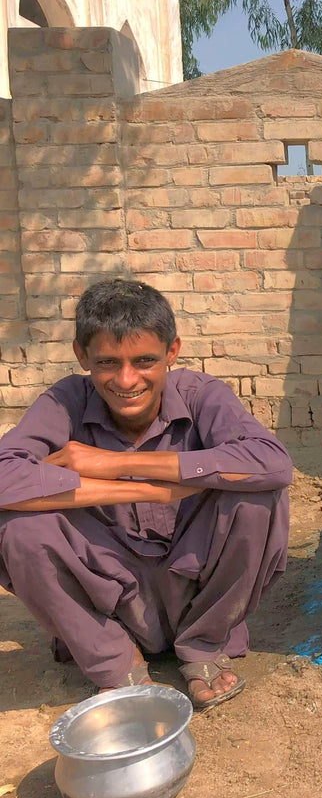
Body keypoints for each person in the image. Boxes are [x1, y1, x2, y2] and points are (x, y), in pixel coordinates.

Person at [0, 279, 292, 709]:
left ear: (171, 352)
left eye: (144, 361)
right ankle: (114, 663)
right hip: (109, 591)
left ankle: (205, 644)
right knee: (17, 524)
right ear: (82, 356)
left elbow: (271, 462)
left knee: (257, 495)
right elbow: (5, 475)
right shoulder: (65, 401)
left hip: (195, 582)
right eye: (106, 362)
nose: (126, 379)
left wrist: (117, 464)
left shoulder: (200, 394)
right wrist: (150, 493)